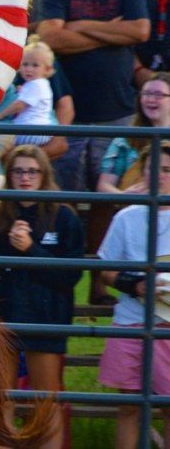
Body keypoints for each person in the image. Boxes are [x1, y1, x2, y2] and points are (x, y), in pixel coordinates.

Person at [0, 145, 82, 449]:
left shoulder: (64, 217)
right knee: (0, 396)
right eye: (18, 171)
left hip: (46, 315)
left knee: (45, 399)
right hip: (4, 310)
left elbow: (71, 276)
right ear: (9, 175)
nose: (25, 177)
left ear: (44, 175)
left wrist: (30, 249)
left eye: (32, 171)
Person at [37, 0, 150, 193]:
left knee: (111, 197)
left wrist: (83, 25)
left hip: (118, 113)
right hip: (71, 114)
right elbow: (51, 37)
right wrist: (111, 34)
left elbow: (139, 32)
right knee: (65, 194)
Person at [97, 140, 170, 449]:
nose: (161, 175)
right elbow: (105, 269)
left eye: (167, 169)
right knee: (128, 406)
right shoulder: (126, 217)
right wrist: (136, 285)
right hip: (130, 322)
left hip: (168, 326)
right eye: (154, 168)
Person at [0, 38, 55, 146]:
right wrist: (23, 91)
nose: (29, 69)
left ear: (47, 69)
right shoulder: (41, 84)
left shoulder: (36, 84)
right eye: (25, 64)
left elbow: (19, 106)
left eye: (35, 65)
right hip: (39, 130)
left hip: (31, 131)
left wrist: (1, 115)